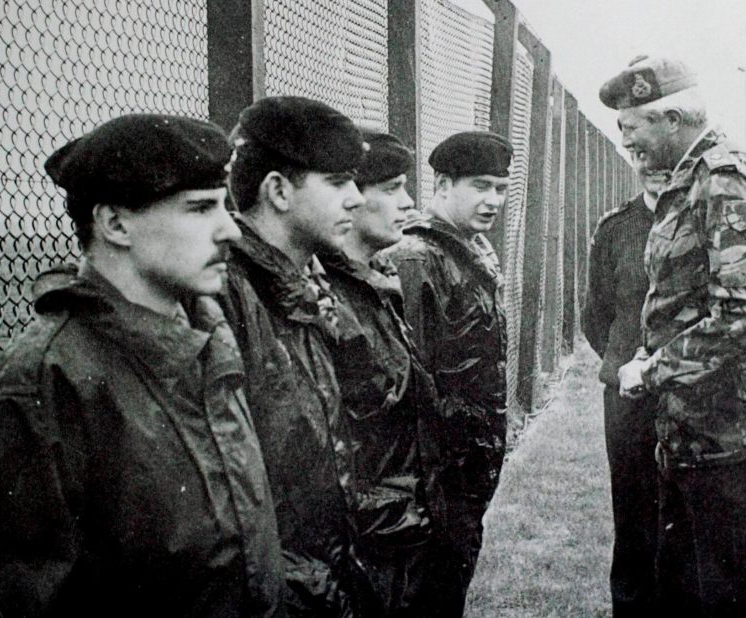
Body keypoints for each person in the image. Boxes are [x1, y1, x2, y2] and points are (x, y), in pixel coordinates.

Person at [0, 114, 285, 617]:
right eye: (200, 209)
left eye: (225, 207)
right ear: (114, 224)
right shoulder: (44, 385)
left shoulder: (208, 337)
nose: (231, 232)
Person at [603, 56, 746, 617]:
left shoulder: (726, 179)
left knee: (734, 601)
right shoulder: (691, 181)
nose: (626, 142)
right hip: (697, 434)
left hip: (737, 438)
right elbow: (685, 301)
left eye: (631, 127)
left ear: (671, 118)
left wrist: (654, 367)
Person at [189, 95, 368, 617]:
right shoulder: (229, 297)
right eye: (337, 182)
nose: (356, 199)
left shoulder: (301, 282)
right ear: (278, 191)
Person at [384, 131, 512, 617]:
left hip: (463, 477)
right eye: (481, 186)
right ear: (441, 185)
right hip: (432, 486)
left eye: (500, 188)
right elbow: (409, 384)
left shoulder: (469, 251)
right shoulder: (419, 259)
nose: (493, 200)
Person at [318, 130, 442, 616]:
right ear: (350, 200)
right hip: (364, 544)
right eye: (390, 189)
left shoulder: (377, 283)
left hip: (396, 534)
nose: (408, 203)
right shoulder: (330, 298)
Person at [583, 156, 669, 616]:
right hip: (628, 401)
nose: (653, 167)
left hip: (687, 392)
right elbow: (596, 314)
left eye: (662, 158)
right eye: (644, 159)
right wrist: (622, 365)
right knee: (633, 519)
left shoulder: (702, 220)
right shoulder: (616, 226)